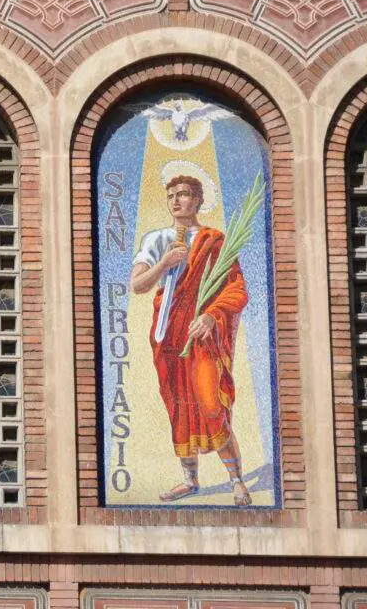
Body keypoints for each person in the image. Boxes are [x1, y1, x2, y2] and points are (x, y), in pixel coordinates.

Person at [129, 167, 252, 506]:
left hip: (203, 336)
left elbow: (237, 288)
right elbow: (137, 285)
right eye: (170, 196)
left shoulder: (215, 240)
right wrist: (165, 263)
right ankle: (190, 481)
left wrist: (212, 316)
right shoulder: (156, 239)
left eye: (182, 194)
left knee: (211, 404)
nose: (175, 201)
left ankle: (237, 480)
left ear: (197, 200)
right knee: (178, 406)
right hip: (169, 334)